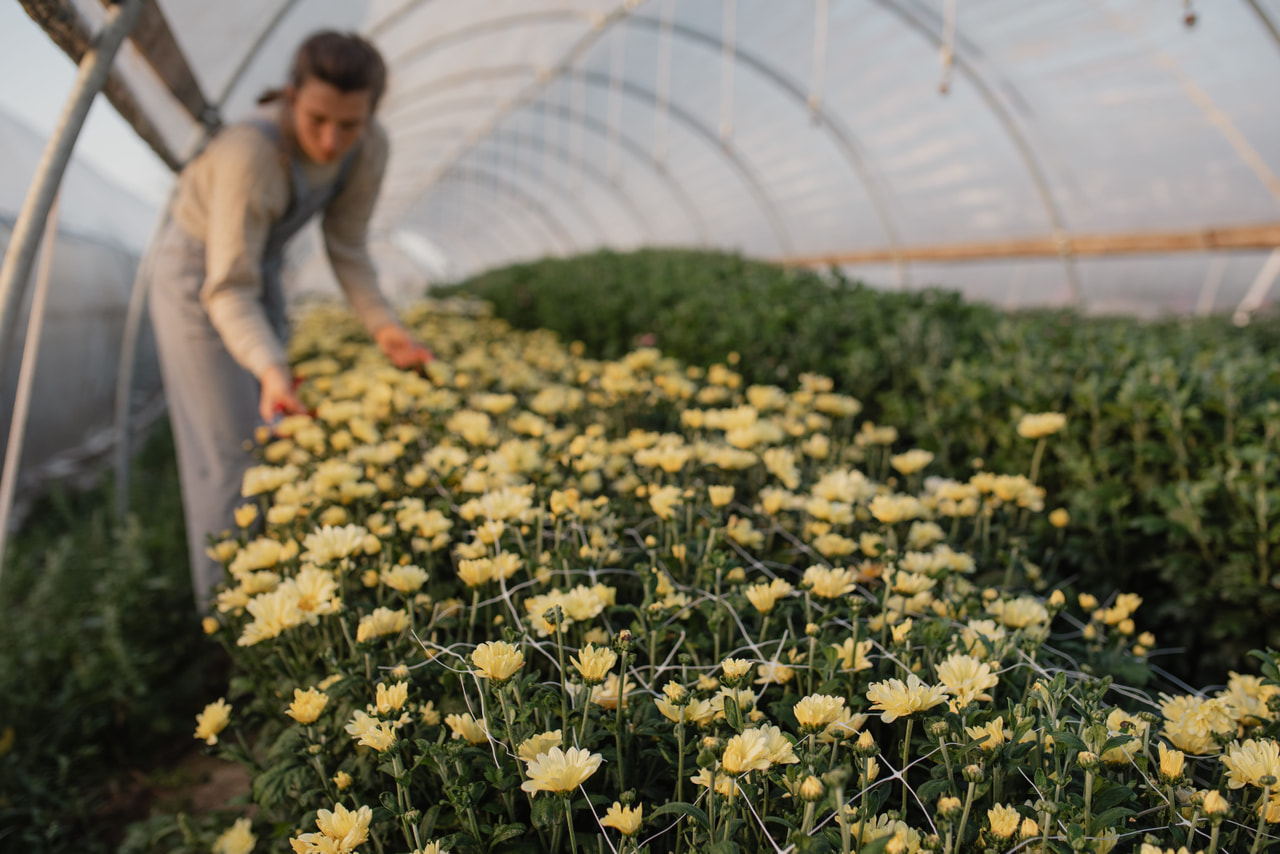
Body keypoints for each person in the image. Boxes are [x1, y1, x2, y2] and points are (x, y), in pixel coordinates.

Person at [149, 30, 431, 612]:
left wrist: (388, 330)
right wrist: (271, 367)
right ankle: (225, 617)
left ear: (371, 115)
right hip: (200, 276)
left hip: (261, 268)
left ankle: (271, 585)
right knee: (230, 446)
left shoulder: (368, 148)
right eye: (317, 119)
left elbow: (348, 248)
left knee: (272, 428)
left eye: (349, 124)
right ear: (291, 98)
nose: (331, 141)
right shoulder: (250, 153)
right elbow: (227, 286)